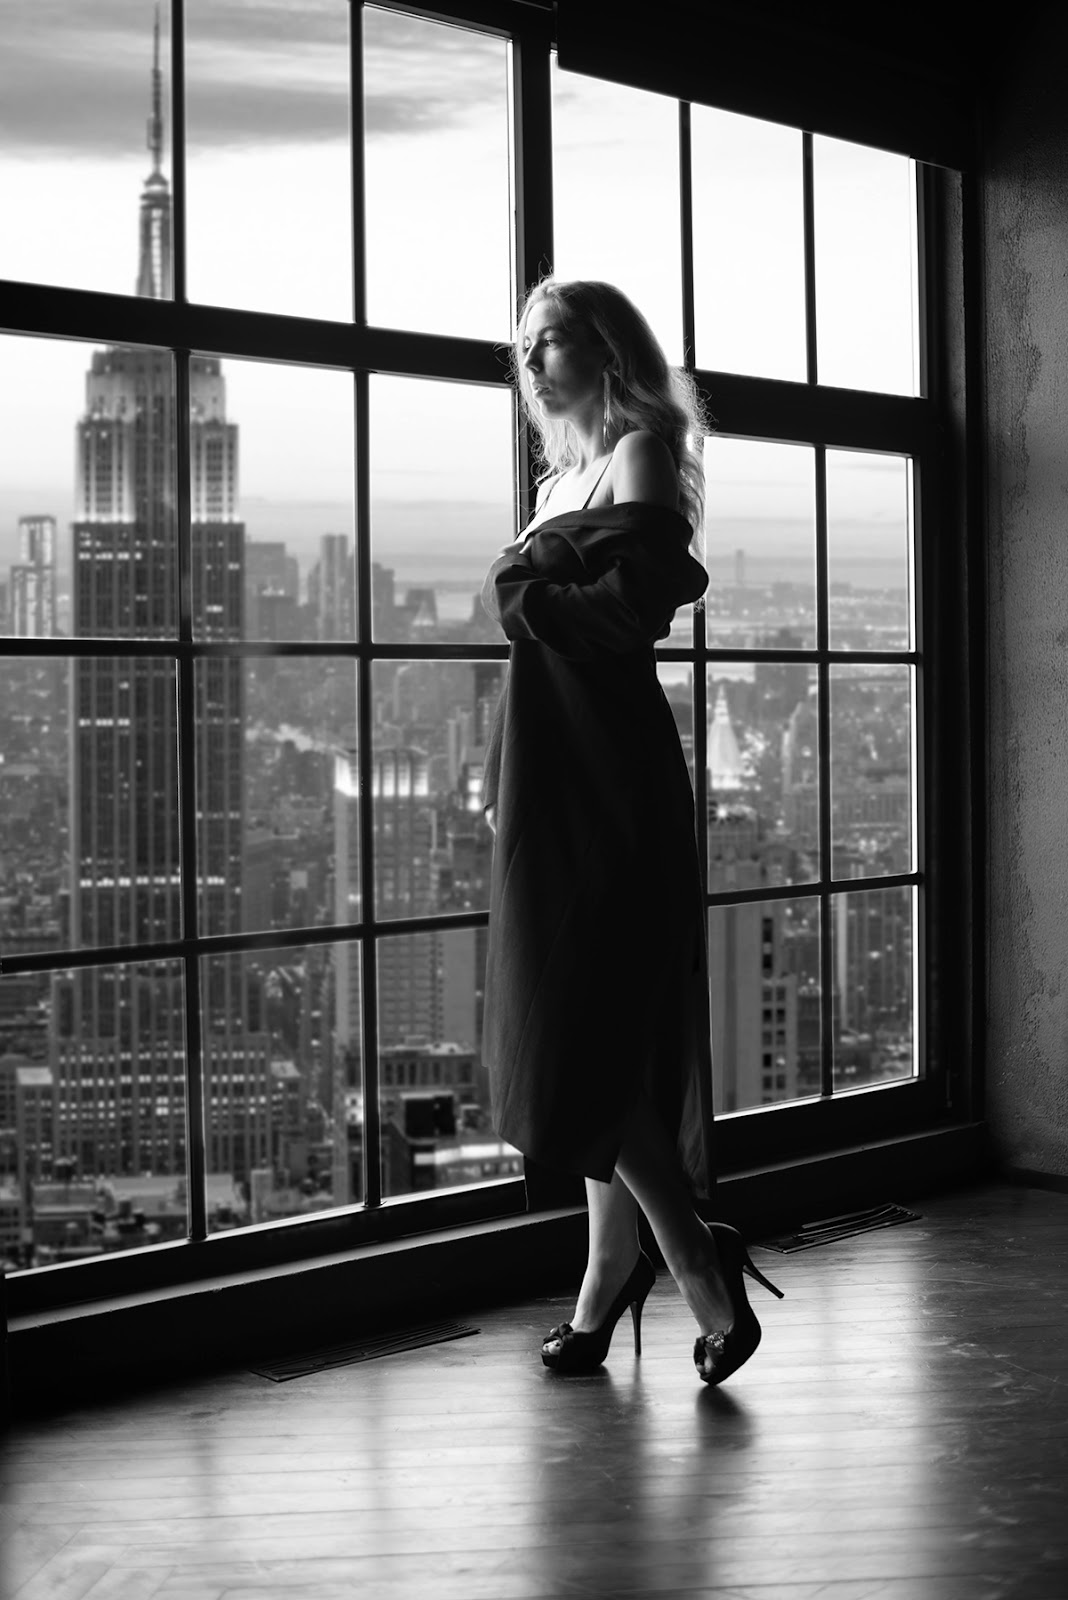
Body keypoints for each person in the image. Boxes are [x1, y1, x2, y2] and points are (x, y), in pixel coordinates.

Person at [480, 277, 783, 1385]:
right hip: (549, 775)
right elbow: (550, 636)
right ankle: (611, 1276)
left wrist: (518, 591)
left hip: (609, 776)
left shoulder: (639, 454)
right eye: (523, 343)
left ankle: (693, 1261)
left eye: (552, 338)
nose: (532, 360)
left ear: (607, 348)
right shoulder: (555, 482)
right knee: (588, 1031)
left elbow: (628, 611)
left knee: (584, 1038)